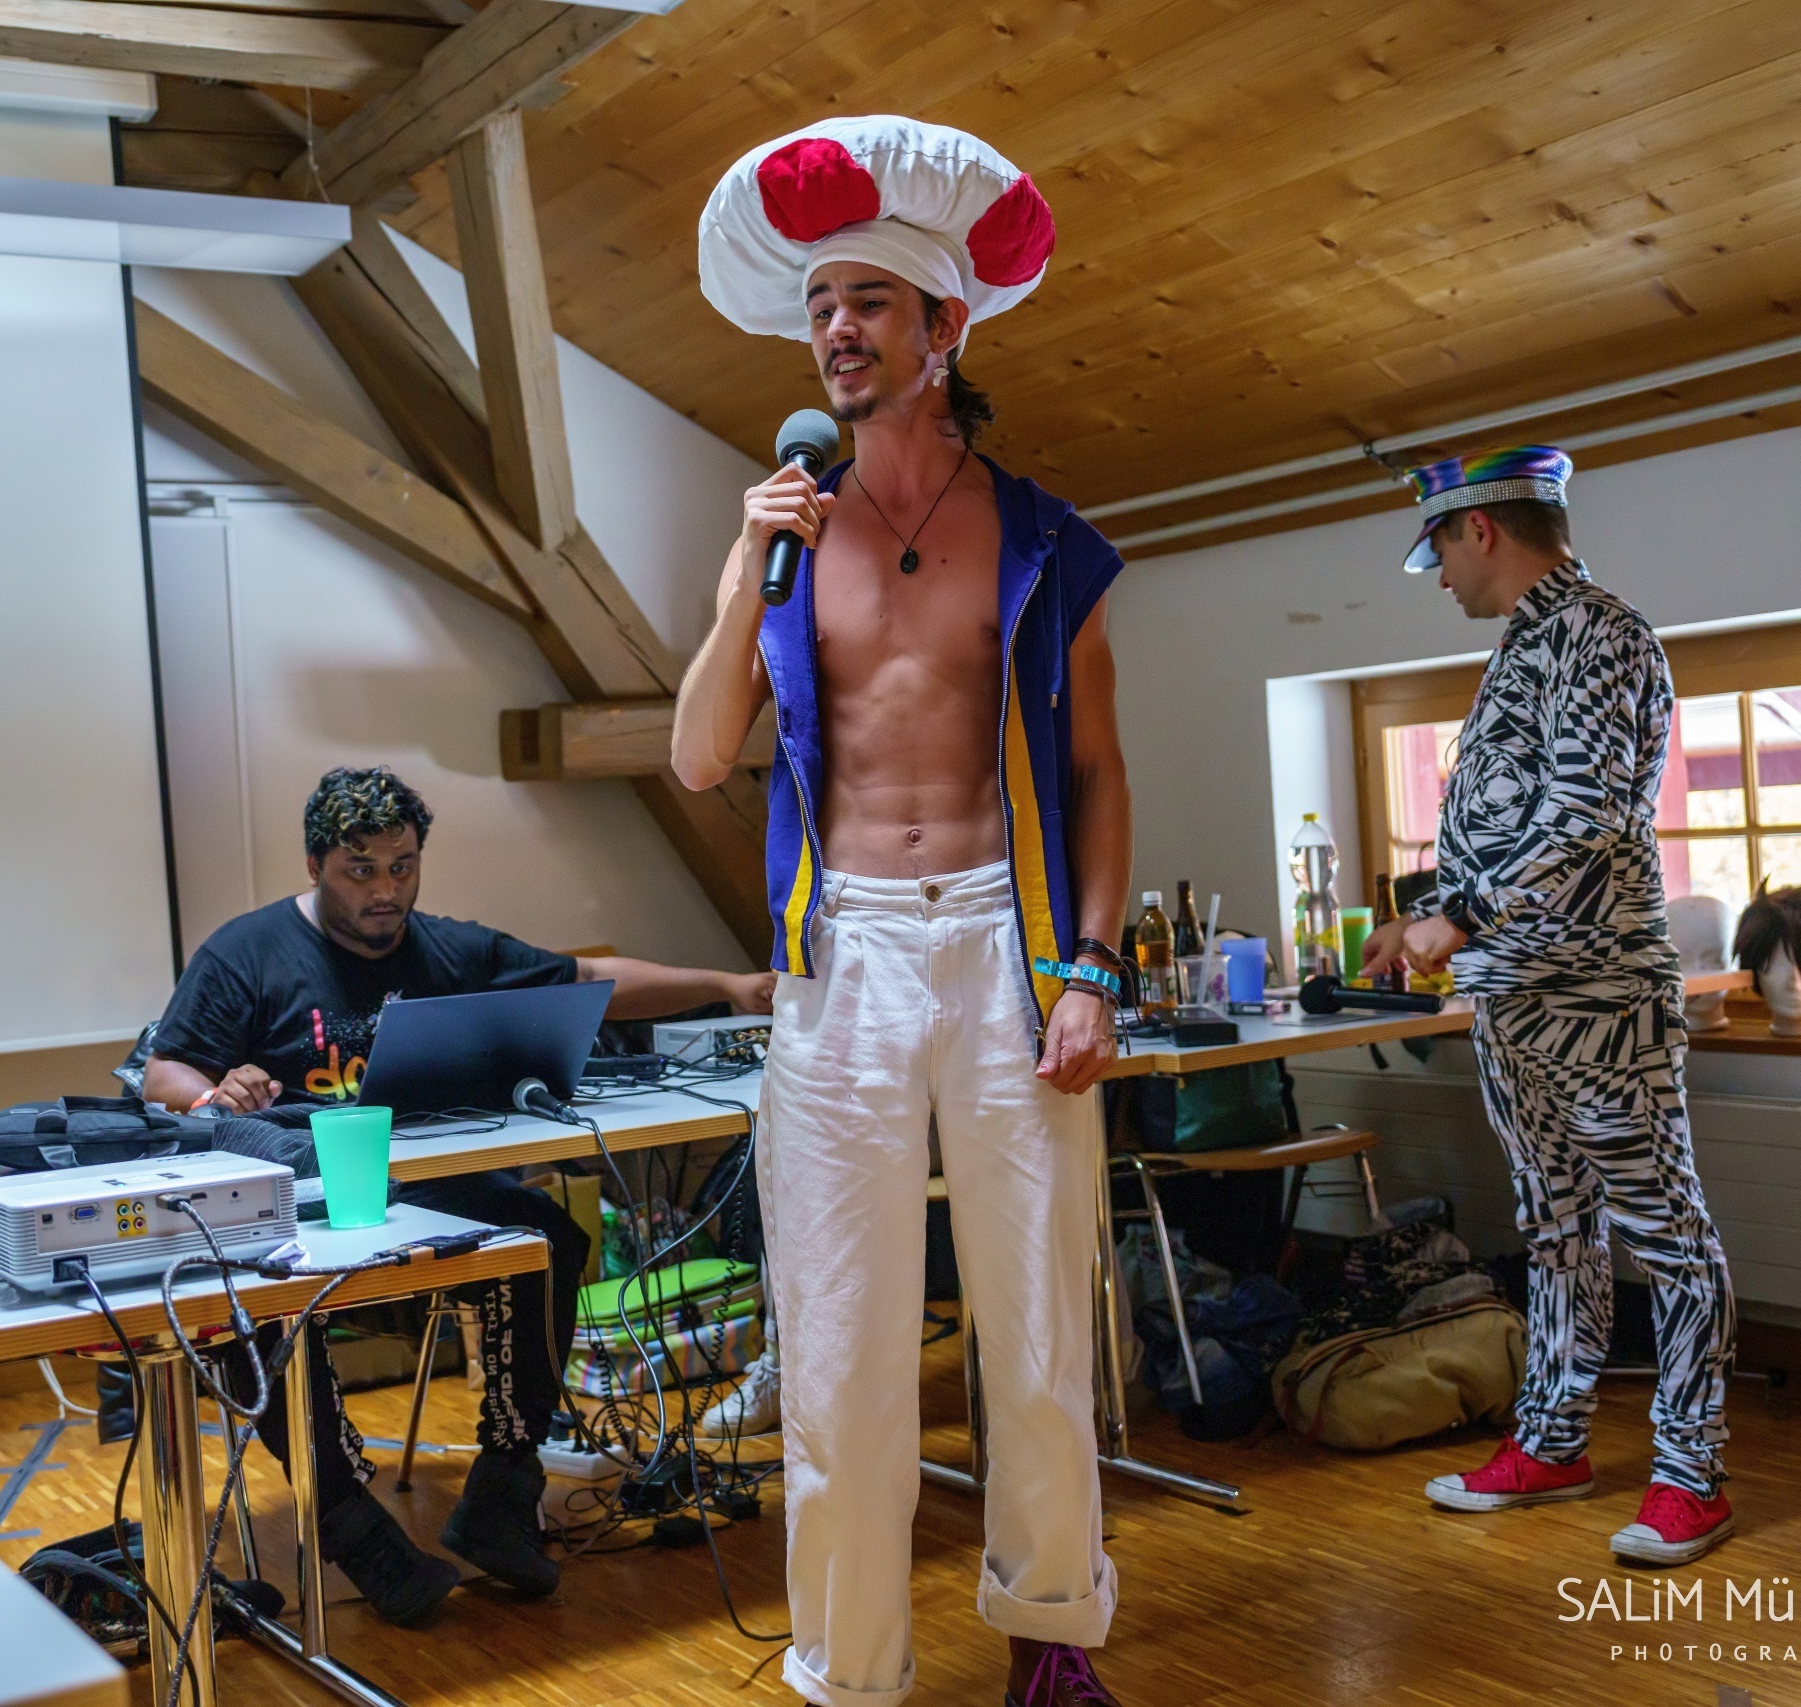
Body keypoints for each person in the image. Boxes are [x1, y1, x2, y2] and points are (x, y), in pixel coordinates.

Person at [676, 117, 1130, 1707]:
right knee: (841, 1345)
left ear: (946, 328)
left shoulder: (1044, 538)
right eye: (819, 306)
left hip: (1011, 942)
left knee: (1039, 1323)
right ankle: (847, 1667)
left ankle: (1053, 1632)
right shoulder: (784, 537)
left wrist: (1090, 968)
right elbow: (699, 753)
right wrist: (747, 564)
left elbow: (1095, 772)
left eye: (868, 300)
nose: (837, 328)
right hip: (842, 953)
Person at [140, 766, 774, 1626]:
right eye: (361, 871)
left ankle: (503, 1493)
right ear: (315, 866)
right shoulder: (246, 953)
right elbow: (163, 1071)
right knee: (254, 1297)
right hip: (305, 1205)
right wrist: (215, 1094)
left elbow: (586, 975)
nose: (385, 890)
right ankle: (349, 1522)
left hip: (424, 1192)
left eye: (402, 867)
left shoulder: (446, 949)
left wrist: (727, 985)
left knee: (544, 1238)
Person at [1360, 447, 1740, 1567]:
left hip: (1598, 1002)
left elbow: (1586, 818)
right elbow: (1516, 821)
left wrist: (1459, 916)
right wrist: (1422, 916)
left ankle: (1691, 1475)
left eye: (1437, 548)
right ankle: (1552, 1442)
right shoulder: (1520, 649)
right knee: (1556, 1228)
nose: (1438, 574)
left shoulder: (1601, 635)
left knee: (1666, 1238)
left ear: (1479, 528)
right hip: (1512, 1001)